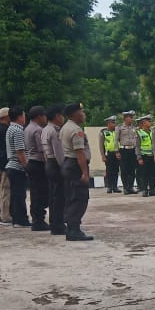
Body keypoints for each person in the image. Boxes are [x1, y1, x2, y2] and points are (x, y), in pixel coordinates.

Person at [59, 103, 94, 241]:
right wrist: (85, 173)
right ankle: (73, 229)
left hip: (68, 163)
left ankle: (72, 227)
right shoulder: (76, 130)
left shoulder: (65, 127)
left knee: (71, 196)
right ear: (74, 114)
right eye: (82, 111)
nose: (84, 114)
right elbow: (80, 153)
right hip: (75, 166)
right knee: (79, 198)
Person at [42, 105, 67, 235]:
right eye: (62, 115)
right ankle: (58, 225)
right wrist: (64, 168)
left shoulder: (45, 129)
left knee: (53, 196)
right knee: (59, 197)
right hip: (55, 164)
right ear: (57, 116)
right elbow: (59, 154)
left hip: (49, 163)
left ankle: (54, 223)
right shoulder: (55, 131)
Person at [5, 106, 32, 228]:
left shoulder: (11, 128)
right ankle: (20, 219)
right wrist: (27, 167)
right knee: (20, 195)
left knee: (16, 194)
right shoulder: (18, 130)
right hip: (17, 166)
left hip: (12, 165)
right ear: (20, 116)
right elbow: (20, 151)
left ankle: (16, 218)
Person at [24, 106, 49, 229]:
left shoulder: (27, 128)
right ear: (39, 116)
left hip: (31, 162)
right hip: (38, 163)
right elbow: (42, 150)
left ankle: (36, 218)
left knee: (35, 193)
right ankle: (39, 220)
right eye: (44, 116)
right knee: (41, 192)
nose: (45, 118)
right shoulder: (38, 130)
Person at [116, 110, 140, 194]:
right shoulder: (120, 127)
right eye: (130, 117)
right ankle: (125, 187)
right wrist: (117, 151)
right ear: (125, 118)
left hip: (132, 150)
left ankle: (131, 187)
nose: (132, 119)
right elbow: (116, 140)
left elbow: (136, 140)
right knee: (124, 169)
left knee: (132, 169)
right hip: (123, 150)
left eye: (132, 117)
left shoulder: (134, 128)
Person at [136, 115, 155, 196]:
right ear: (144, 122)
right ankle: (144, 189)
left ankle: (152, 189)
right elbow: (137, 146)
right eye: (149, 121)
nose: (150, 123)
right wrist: (139, 157)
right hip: (144, 156)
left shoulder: (153, 132)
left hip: (152, 156)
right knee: (144, 174)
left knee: (152, 173)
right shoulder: (139, 132)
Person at [99, 115, 119, 193]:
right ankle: (109, 187)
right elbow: (101, 145)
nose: (114, 124)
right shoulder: (104, 132)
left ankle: (115, 186)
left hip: (116, 153)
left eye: (115, 122)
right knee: (109, 171)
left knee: (116, 170)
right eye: (113, 123)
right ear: (108, 123)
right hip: (109, 154)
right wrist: (103, 156)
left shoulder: (117, 132)